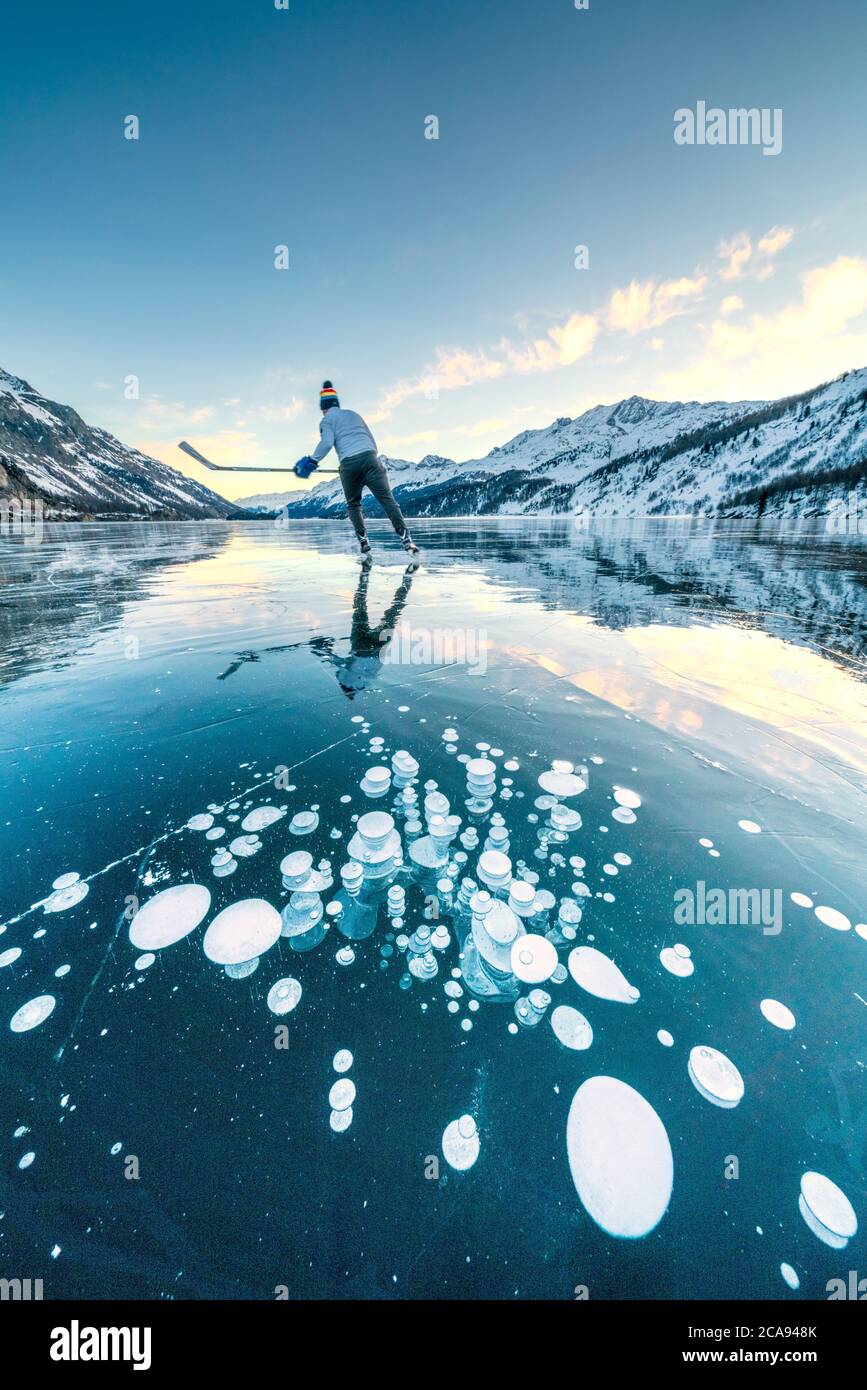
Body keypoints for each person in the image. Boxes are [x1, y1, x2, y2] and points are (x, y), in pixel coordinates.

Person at [295, 382, 419, 557]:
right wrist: (369, 457)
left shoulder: (326, 420)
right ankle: (406, 538)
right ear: (336, 403)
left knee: (354, 504)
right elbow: (372, 440)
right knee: (387, 500)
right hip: (371, 458)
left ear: (324, 407)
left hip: (349, 464)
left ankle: (363, 541)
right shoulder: (354, 415)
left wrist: (311, 461)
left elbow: (327, 443)